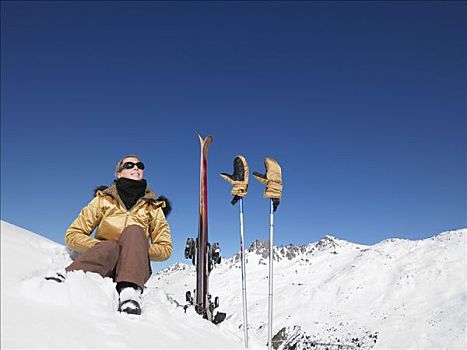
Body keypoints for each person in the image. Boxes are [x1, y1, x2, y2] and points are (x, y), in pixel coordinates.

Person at [47, 154, 172, 315]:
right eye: (129, 165)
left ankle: (129, 292)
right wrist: (100, 246)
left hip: (135, 268)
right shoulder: (103, 200)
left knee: (135, 231)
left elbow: (165, 248)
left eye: (140, 165)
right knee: (111, 245)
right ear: (118, 173)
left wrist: (136, 250)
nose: (136, 168)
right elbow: (73, 234)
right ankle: (69, 275)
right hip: (103, 257)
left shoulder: (153, 208)